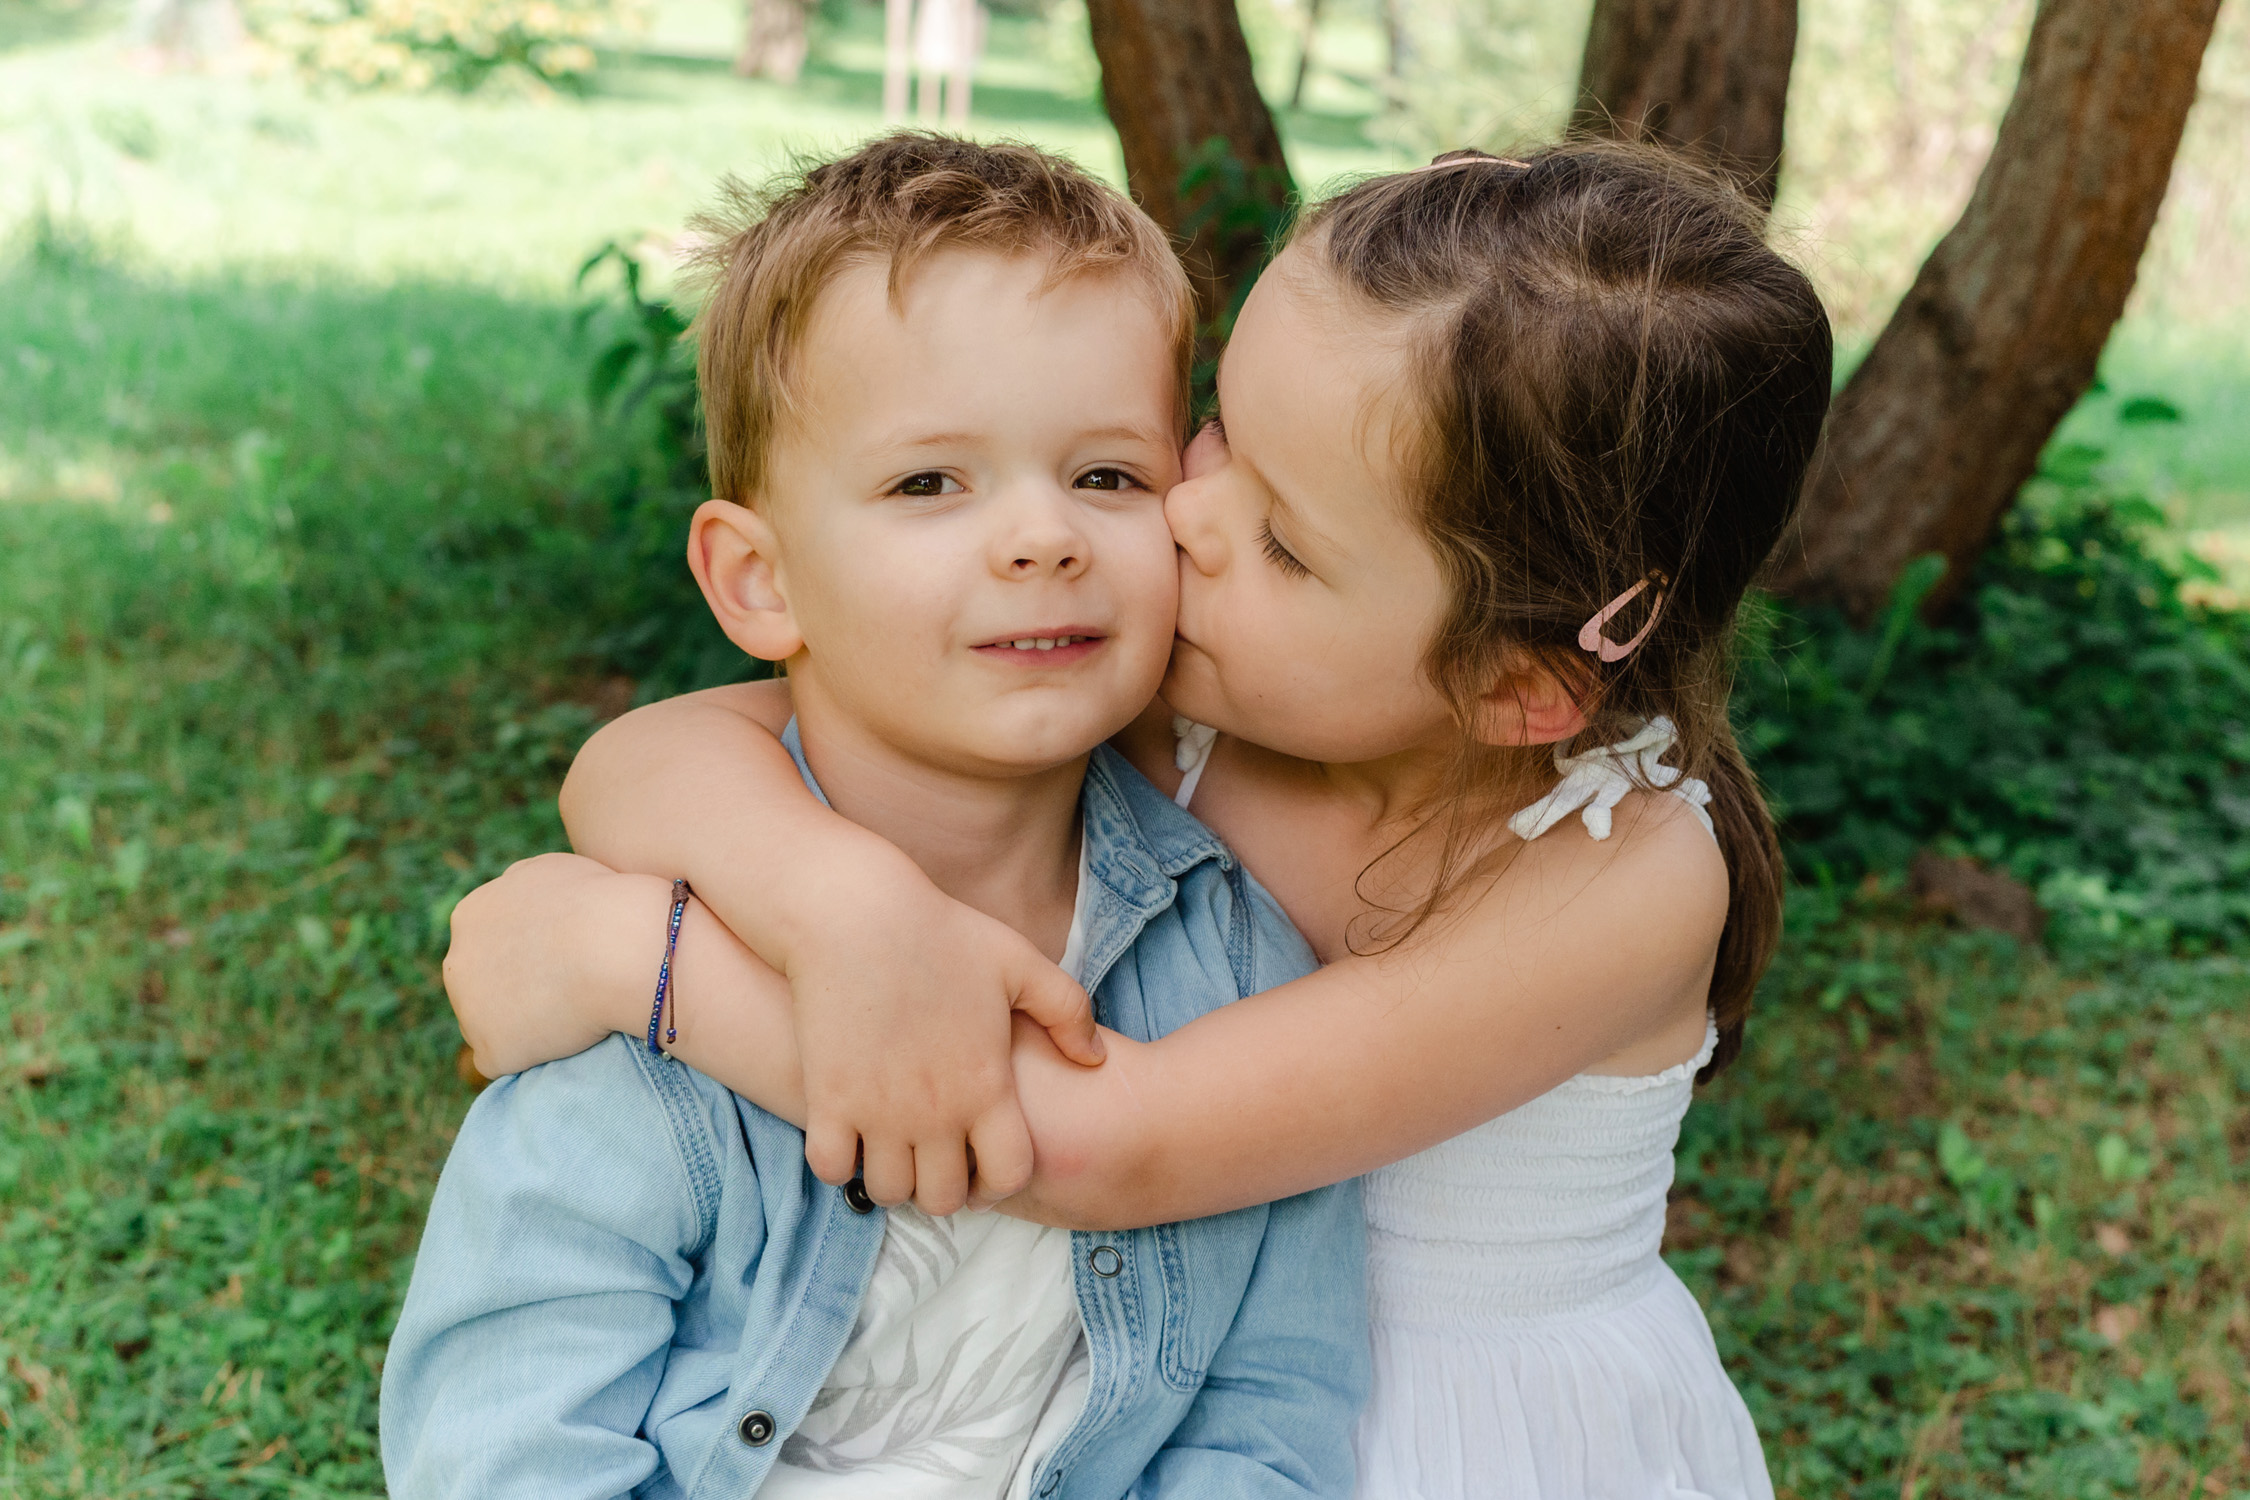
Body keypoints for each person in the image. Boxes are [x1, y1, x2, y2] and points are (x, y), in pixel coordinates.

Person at [447, 141, 1834, 1498]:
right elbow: (661, 753)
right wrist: (837, 910)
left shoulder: (1627, 879)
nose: (1186, 520)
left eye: (1284, 539)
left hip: (1463, 1438)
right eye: (1212, 432)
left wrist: (638, 968)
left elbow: (1116, 1151)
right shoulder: (1186, 691)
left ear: (1512, 681)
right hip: (1148, 1387)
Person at [380, 134, 1369, 1500]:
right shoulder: (659, 983)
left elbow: (1270, 1409)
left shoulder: (1237, 955)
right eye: (928, 483)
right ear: (758, 581)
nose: (1043, 538)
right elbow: (504, 1438)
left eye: (1107, 476)